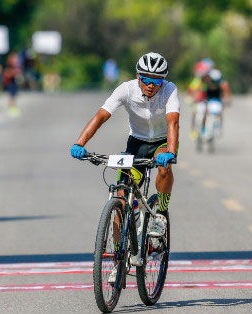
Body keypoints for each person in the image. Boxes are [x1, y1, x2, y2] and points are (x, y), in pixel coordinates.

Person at [70, 52, 179, 280]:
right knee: (120, 199)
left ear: (163, 80)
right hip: (136, 144)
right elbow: (101, 115)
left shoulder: (170, 90)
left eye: (156, 80)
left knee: (164, 168)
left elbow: (173, 122)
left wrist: (170, 152)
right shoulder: (126, 89)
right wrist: (80, 143)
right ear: (137, 76)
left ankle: (160, 212)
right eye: (146, 78)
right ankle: (119, 258)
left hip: (161, 142)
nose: (150, 85)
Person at [2, 52, 22, 117]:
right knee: (11, 96)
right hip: (10, 82)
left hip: (14, 82)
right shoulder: (9, 65)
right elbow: (7, 73)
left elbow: (18, 72)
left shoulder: (15, 66)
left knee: (13, 96)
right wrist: (14, 72)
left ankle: (13, 107)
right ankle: (11, 109)